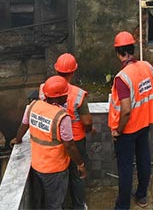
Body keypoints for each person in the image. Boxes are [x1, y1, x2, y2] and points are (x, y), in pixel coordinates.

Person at [109, 31, 153, 209]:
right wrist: (150, 97)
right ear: (132, 49)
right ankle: (142, 196)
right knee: (144, 159)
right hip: (144, 123)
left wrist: (118, 130)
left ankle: (122, 207)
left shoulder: (122, 78)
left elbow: (126, 110)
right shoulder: (147, 67)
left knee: (125, 169)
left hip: (127, 130)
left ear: (117, 52)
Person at [11, 76, 87, 210]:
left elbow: (24, 125)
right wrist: (80, 164)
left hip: (37, 165)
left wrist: (17, 139)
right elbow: (69, 145)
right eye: (65, 95)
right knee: (55, 204)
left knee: (39, 202)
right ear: (57, 98)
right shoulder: (62, 117)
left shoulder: (33, 105)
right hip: (55, 169)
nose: (67, 97)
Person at [40, 53, 93, 210]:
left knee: (60, 174)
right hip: (75, 140)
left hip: (54, 139)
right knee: (78, 174)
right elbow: (87, 121)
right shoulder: (78, 94)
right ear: (73, 72)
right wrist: (89, 130)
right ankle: (78, 206)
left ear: (56, 70)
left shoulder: (44, 88)